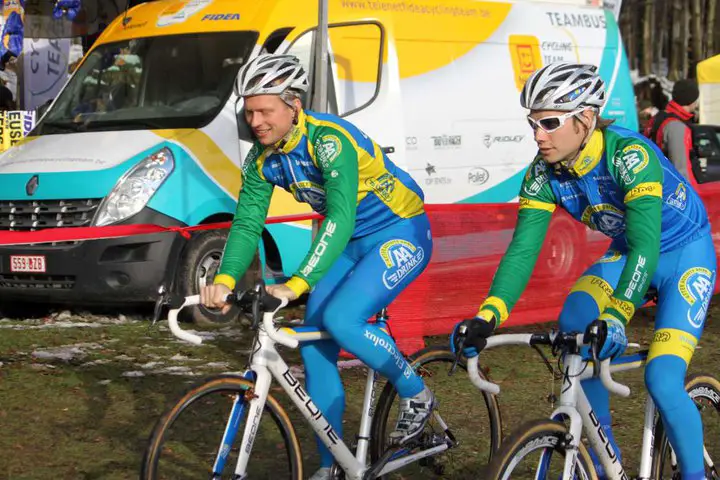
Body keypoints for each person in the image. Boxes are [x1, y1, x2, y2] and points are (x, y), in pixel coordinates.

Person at [452, 62, 715, 479]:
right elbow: (522, 252)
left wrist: (617, 314)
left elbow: (646, 245)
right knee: (575, 318)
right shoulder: (542, 175)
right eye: (533, 123)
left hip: (682, 253)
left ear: (586, 119)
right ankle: (599, 454)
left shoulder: (630, 155)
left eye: (550, 122)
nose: (538, 135)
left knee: (663, 379)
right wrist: (489, 314)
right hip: (629, 252)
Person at [201, 54, 435, 480]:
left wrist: (297, 284)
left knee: (343, 320)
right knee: (312, 342)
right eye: (249, 110)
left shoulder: (329, 140)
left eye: (265, 110)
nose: (255, 120)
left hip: (399, 230)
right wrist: (224, 278)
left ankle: (415, 392)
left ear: (293, 104)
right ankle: (332, 465)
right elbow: (248, 221)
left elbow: (339, 217)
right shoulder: (262, 160)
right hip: (348, 244)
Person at [644, 78, 700, 182]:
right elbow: (680, 168)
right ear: (690, 100)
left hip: (653, 181)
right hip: (670, 189)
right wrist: (687, 194)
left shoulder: (657, 118)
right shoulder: (676, 126)